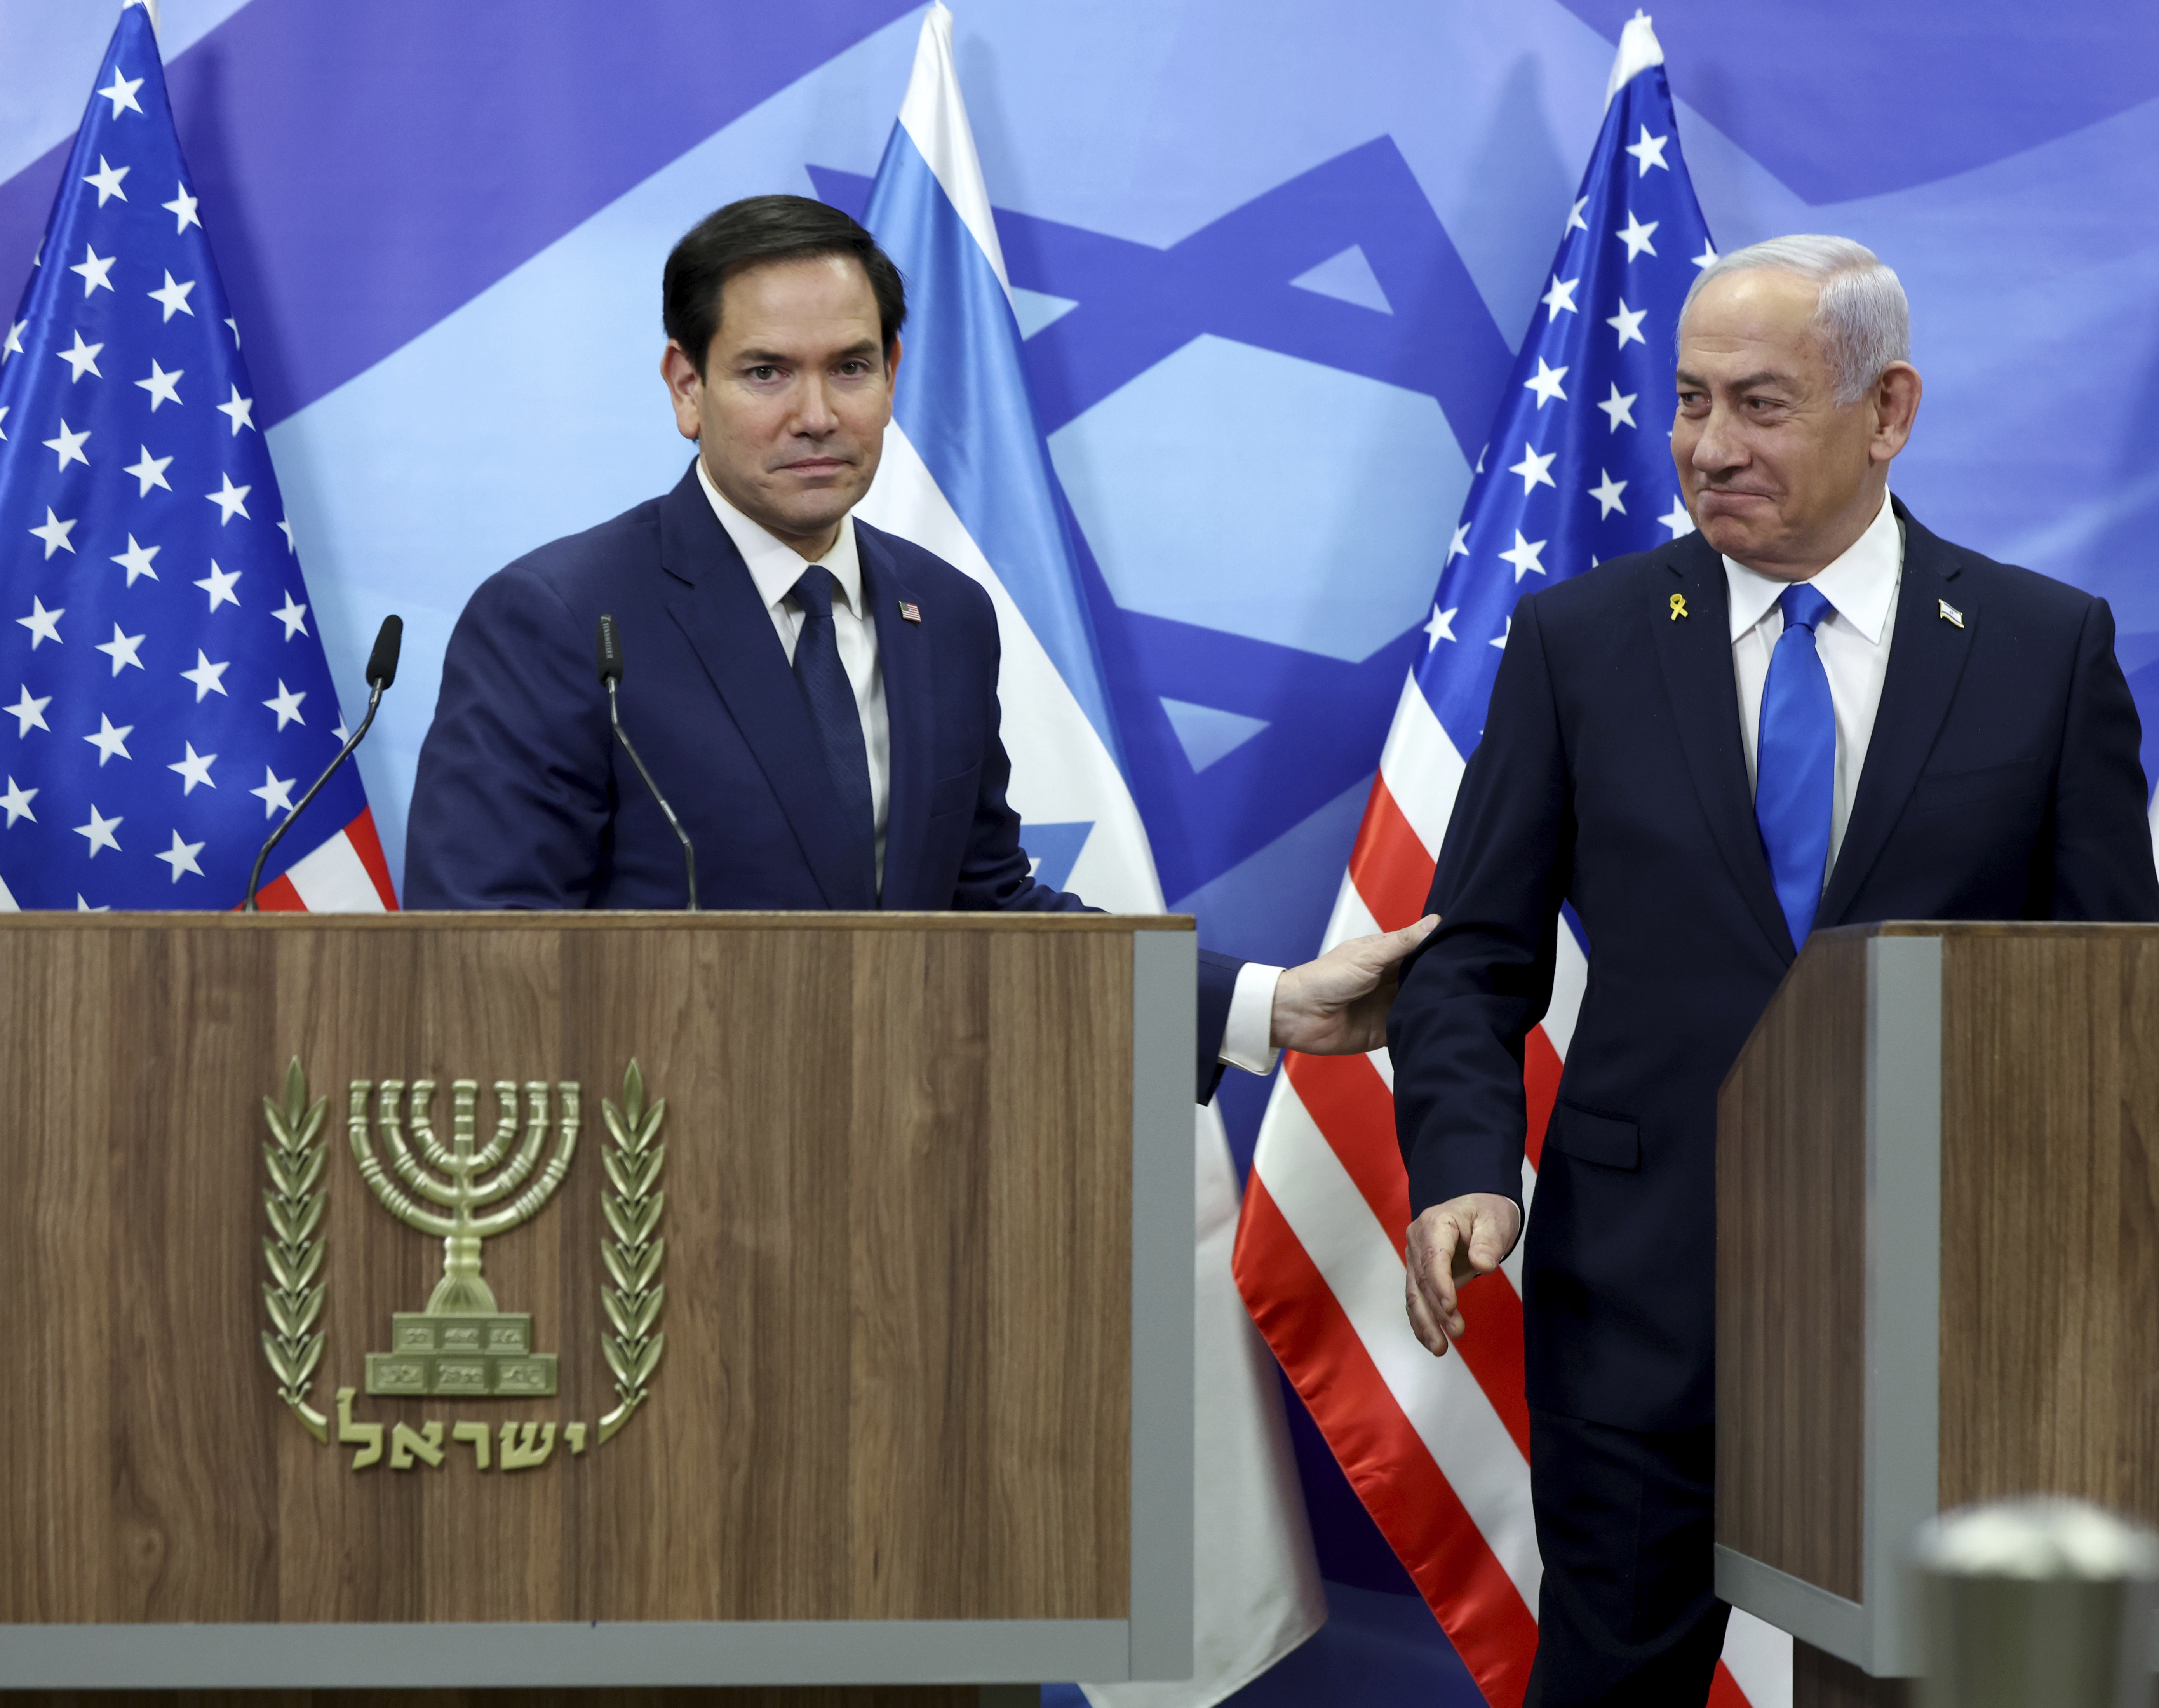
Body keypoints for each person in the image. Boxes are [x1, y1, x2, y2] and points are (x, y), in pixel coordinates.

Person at [1390, 235, 2158, 1708]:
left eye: (1757, 403)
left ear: (1888, 411)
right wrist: (1462, 1165)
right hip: (1647, 1289)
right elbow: (1472, 960)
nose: (1706, 446)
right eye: (1684, 403)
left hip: (1952, 1306)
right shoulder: (1583, 643)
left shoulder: (2038, 651)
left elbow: (2107, 1001)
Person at [405, 195, 1421, 1089]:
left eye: (850, 367)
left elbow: (978, 912)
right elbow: (481, 961)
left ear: (892, 373)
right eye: (765, 372)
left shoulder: (945, 613)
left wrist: (1271, 1006)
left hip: (912, 1198)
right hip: (650, 1205)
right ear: (685, 386)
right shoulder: (560, 614)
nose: (816, 415)